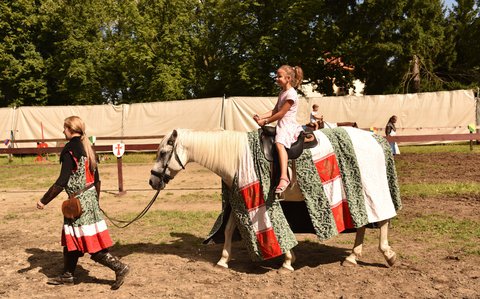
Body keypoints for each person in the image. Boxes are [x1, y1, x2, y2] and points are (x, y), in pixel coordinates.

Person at [36, 116, 129, 290]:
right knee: (72, 237)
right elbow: (98, 181)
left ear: (70, 129)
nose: (63, 131)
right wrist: (95, 202)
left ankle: (120, 267)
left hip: (78, 203)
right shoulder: (87, 148)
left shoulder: (69, 149)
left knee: (90, 243)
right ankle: (68, 275)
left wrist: (44, 201)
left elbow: (61, 181)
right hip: (89, 199)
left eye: (64, 128)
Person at [253, 65, 304, 194]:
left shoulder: (291, 94)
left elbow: (281, 114)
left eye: (279, 76)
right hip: (282, 124)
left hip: (288, 125)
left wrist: (265, 121)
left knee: (279, 144)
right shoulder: (282, 92)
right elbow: (275, 110)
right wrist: (261, 116)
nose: (276, 78)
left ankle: (284, 177)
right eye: (276, 76)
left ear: (288, 78)